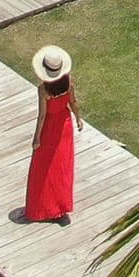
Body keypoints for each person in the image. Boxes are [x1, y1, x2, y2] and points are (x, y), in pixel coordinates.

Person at [24, 44, 82, 223]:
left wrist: (37, 138)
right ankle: (61, 206)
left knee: (43, 168)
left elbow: (42, 115)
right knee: (62, 166)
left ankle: (42, 208)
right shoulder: (69, 81)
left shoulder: (43, 90)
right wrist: (78, 118)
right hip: (65, 126)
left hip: (50, 127)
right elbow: (73, 102)